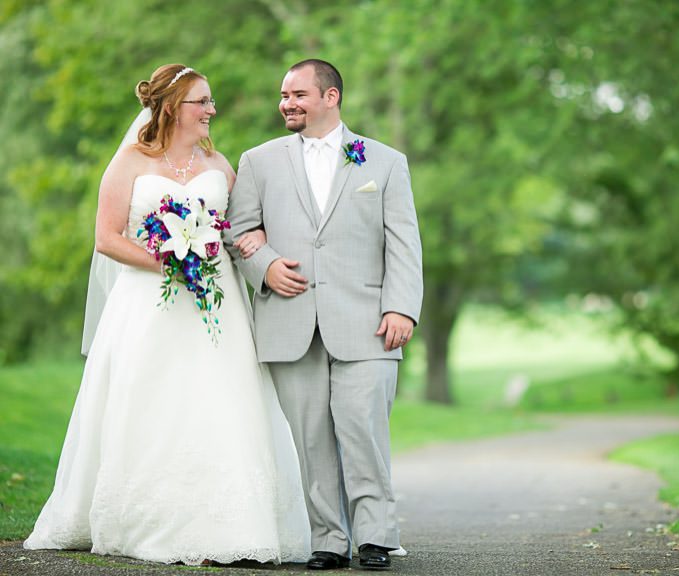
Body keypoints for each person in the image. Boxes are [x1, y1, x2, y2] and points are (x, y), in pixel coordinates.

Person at [24, 64, 310, 566]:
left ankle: (235, 525)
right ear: (174, 107)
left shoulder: (219, 164)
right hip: (147, 306)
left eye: (211, 101)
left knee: (224, 401)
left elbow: (242, 228)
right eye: (204, 101)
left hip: (216, 309)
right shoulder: (130, 162)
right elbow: (107, 238)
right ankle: (145, 518)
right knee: (152, 401)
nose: (212, 110)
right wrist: (169, 262)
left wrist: (260, 251)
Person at [225, 59, 423, 571]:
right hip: (288, 322)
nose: (286, 103)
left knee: (363, 433)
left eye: (298, 94)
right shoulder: (258, 162)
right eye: (283, 95)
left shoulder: (385, 162)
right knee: (310, 440)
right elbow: (237, 232)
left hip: (369, 323)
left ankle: (376, 537)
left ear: (330, 97)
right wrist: (266, 267)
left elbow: (404, 243)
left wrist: (402, 307)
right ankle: (329, 541)